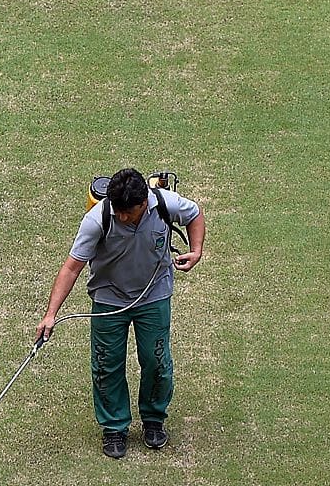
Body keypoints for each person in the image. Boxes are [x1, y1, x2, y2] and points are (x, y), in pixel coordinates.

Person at [35, 168, 206, 459]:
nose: (122, 217)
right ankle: (114, 426)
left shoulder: (165, 204)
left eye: (129, 212)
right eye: (118, 211)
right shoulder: (96, 220)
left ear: (144, 203)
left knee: (156, 360)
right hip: (109, 300)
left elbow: (195, 214)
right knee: (106, 365)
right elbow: (71, 268)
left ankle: (153, 419)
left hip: (154, 296)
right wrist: (50, 314)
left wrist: (197, 250)